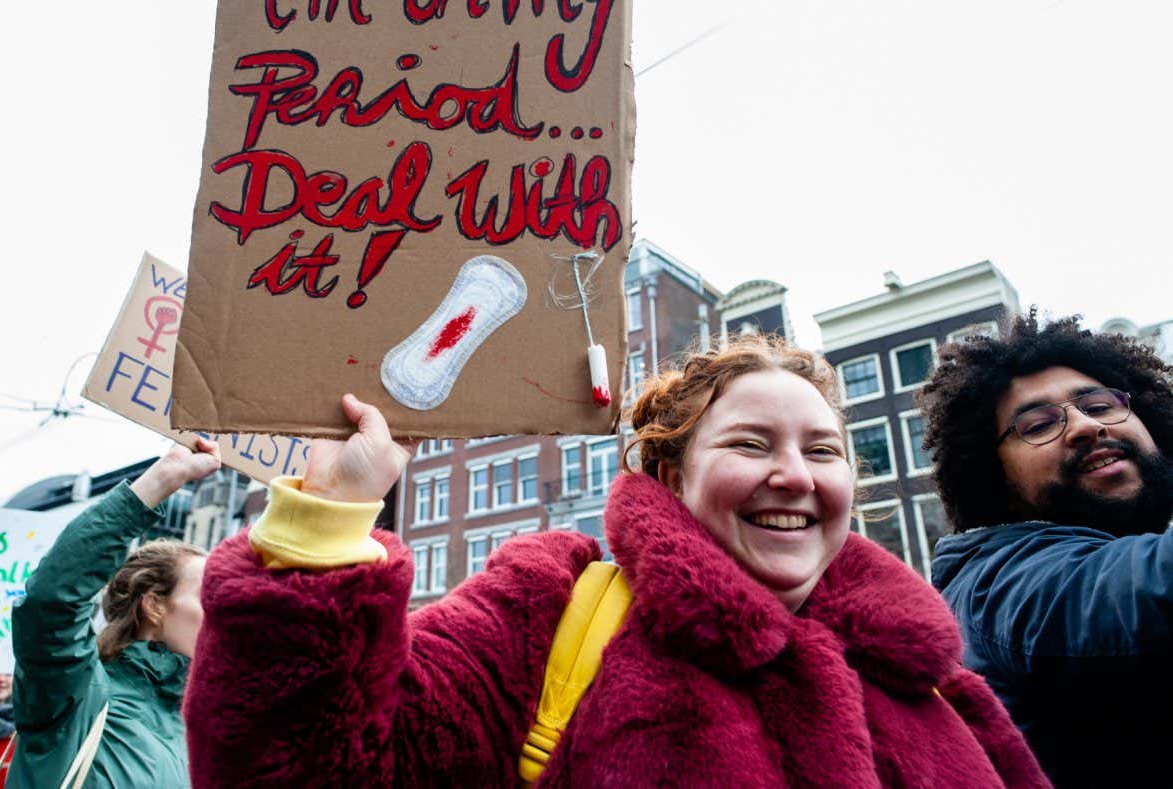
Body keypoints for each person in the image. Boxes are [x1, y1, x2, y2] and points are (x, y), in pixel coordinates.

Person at [185, 335, 1046, 787]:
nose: (795, 472)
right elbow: (301, 765)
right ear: (671, 473)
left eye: (824, 451)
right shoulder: (553, 609)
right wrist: (327, 522)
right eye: (752, 442)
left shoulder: (932, 679)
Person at [920, 314, 1173, 787]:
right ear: (995, 480)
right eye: (1038, 425)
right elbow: (1142, 593)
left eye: (1099, 405)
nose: (1084, 426)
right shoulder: (1000, 581)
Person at [3, 440, 219, 789]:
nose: (223, 613)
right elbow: (52, 601)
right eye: (209, 595)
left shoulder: (204, 730)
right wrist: (160, 481)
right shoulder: (74, 695)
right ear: (154, 605)